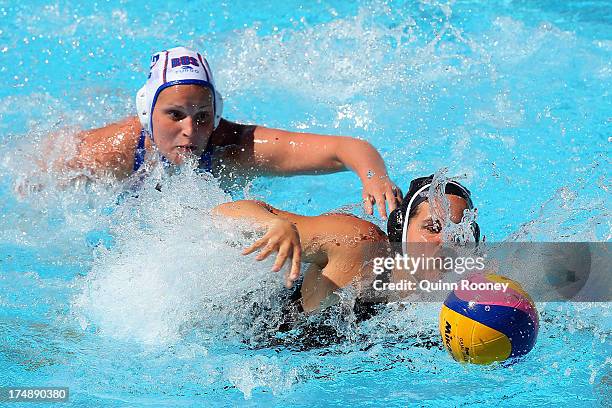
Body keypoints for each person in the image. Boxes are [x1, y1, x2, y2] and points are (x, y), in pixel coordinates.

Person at [59, 46, 401, 218]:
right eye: (174, 115)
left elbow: (346, 146)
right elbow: (46, 163)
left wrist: (374, 177)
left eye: (202, 117)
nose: (190, 130)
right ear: (148, 114)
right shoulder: (114, 148)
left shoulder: (236, 147)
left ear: (216, 115)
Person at [214, 175, 480, 314]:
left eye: (459, 235)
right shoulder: (356, 244)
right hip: (259, 343)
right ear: (400, 231)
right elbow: (226, 211)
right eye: (432, 228)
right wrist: (272, 225)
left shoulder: (463, 291)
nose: (445, 241)